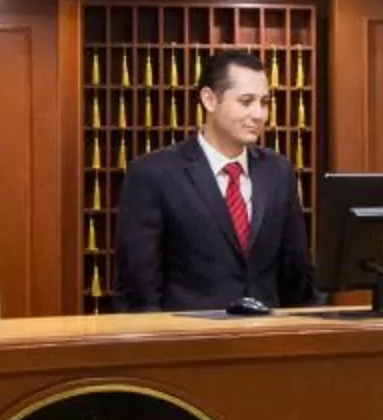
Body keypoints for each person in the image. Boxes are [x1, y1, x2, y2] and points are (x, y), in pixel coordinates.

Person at [115, 48, 315, 312]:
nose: (259, 114)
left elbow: (297, 272)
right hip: (187, 342)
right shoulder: (154, 174)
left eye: (264, 102)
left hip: (267, 338)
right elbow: (139, 285)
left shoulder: (278, 171)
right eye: (246, 101)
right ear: (209, 100)